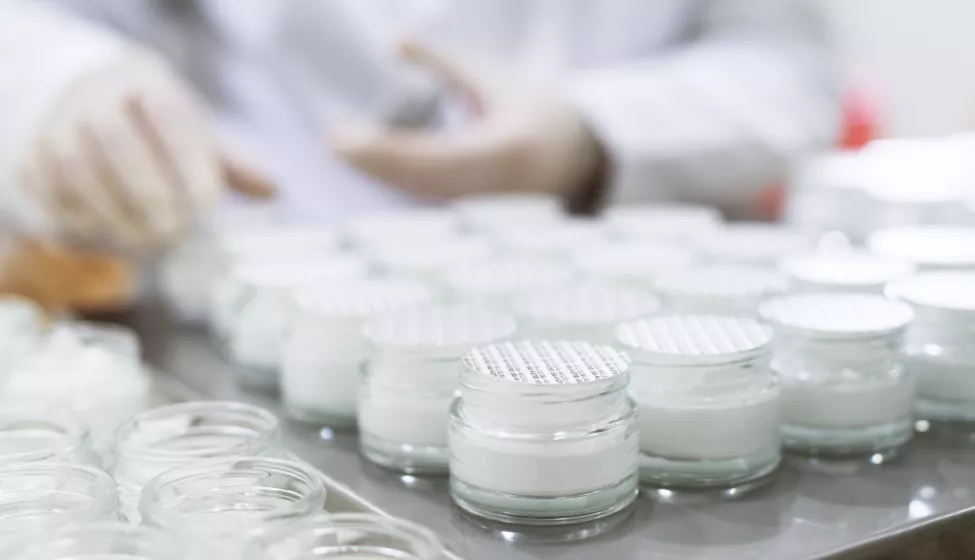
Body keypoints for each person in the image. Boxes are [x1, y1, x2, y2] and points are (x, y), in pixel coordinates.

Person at [0, 0, 840, 251]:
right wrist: (70, 81)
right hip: (267, 245)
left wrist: (588, 132)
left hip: (614, 276)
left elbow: (788, 66)